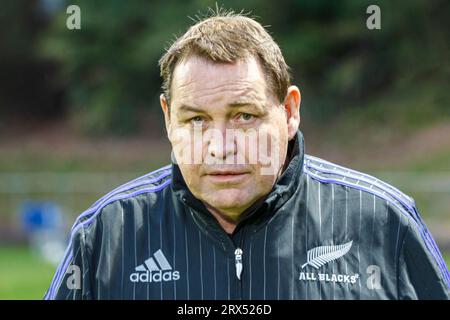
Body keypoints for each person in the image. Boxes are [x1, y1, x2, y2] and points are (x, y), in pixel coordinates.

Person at [45, 11, 449, 300]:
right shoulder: (105, 236)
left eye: (244, 115)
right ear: (169, 120)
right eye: (197, 119)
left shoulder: (384, 222)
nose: (221, 146)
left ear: (289, 112)